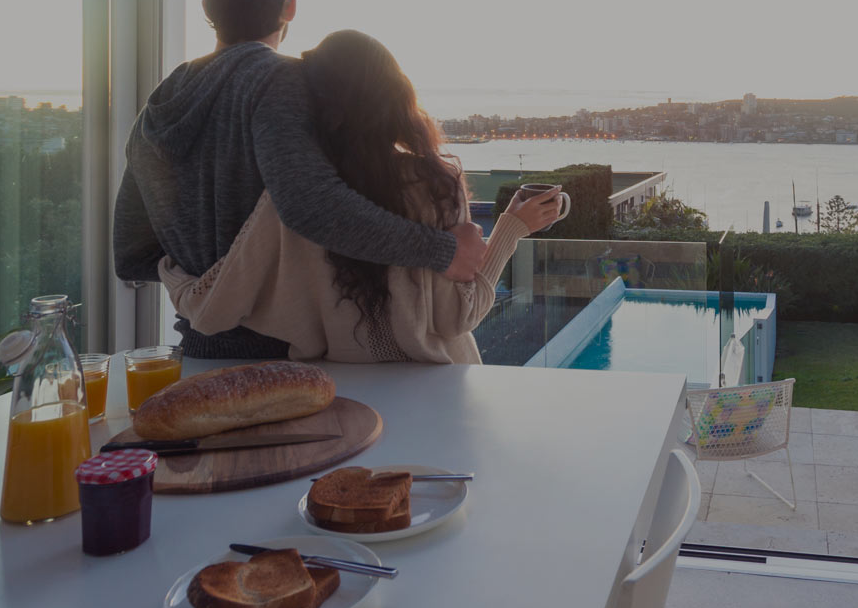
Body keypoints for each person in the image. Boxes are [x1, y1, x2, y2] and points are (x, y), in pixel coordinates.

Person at [112, 0, 487, 359]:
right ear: (289, 7)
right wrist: (443, 252)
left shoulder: (157, 108)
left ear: (206, 7)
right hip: (289, 359)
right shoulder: (279, 80)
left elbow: (132, 255)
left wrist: (204, 269)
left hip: (199, 354)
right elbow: (312, 205)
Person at [158, 30, 565, 364]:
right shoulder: (432, 185)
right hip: (436, 388)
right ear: (396, 98)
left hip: (344, 393)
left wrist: (170, 268)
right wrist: (511, 230)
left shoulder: (292, 203)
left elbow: (216, 304)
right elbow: (460, 316)